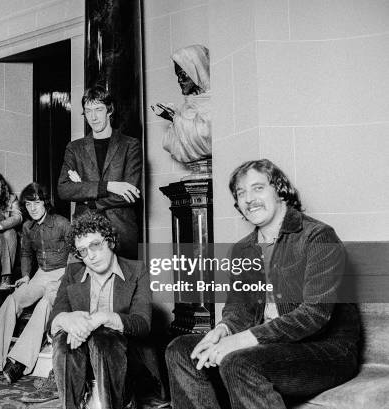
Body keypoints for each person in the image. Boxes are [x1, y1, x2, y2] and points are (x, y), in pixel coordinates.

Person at [165, 159, 361, 409]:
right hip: (270, 347)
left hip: (326, 351)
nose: (249, 198)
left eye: (258, 188)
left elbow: (313, 315)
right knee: (181, 351)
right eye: (241, 192)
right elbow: (240, 309)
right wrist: (224, 330)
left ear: (280, 191)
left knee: (239, 363)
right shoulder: (242, 249)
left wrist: (240, 341)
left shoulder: (318, 236)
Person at [49, 212, 152, 409]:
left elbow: (142, 324)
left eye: (95, 245)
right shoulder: (73, 272)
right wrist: (66, 319)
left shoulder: (137, 270)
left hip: (124, 357)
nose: (91, 256)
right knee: (64, 340)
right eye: (82, 251)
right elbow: (55, 318)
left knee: (102, 338)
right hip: (82, 358)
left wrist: (103, 317)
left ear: (110, 241)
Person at [0, 182, 71, 384]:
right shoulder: (28, 227)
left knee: (46, 304)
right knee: (13, 299)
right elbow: (27, 253)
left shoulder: (62, 223)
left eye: (36, 203)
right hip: (41, 274)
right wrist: (27, 275)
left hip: (63, 273)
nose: (33, 208)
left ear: (45, 202)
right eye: (28, 205)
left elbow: (75, 253)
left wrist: (67, 278)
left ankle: (19, 360)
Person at [58, 85, 142, 260]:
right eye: (88, 111)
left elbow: (130, 193)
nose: (93, 117)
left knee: (122, 285)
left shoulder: (130, 145)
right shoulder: (74, 148)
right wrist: (109, 186)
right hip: (85, 230)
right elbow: (64, 189)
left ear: (109, 111)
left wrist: (88, 199)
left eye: (98, 109)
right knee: (82, 286)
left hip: (121, 233)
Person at [151, 44, 211, 164]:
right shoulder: (186, 106)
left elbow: (207, 139)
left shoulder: (214, 102)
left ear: (196, 71)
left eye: (183, 75)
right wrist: (174, 117)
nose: (179, 81)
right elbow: (174, 146)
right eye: (178, 76)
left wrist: (174, 117)